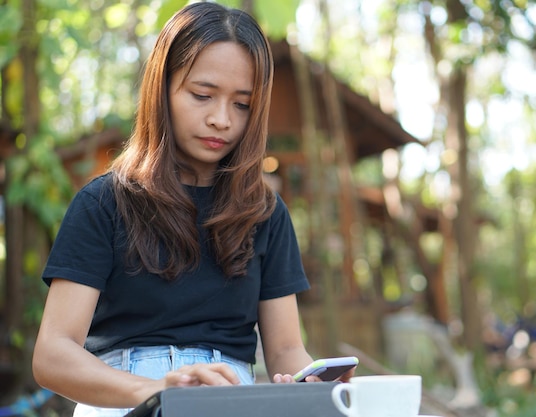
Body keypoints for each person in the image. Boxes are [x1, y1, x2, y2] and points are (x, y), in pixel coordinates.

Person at [32, 3, 353, 416]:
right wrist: (156, 389)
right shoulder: (104, 203)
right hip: (123, 403)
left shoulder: (265, 215)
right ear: (161, 88)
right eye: (202, 95)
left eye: (242, 104)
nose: (221, 119)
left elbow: (287, 349)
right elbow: (52, 355)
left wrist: (313, 383)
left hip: (229, 404)